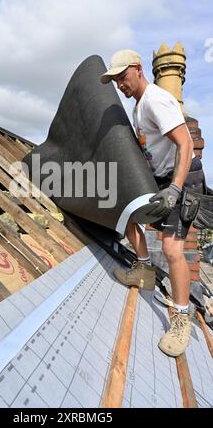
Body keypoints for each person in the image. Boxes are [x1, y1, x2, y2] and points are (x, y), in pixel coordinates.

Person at [100, 49, 204, 357]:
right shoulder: (138, 107)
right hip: (161, 176)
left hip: (183, 176)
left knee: (173, 250)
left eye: (123, 77)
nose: (120, 84)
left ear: (138, 69)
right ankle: (144, 270)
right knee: (128, 211)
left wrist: (175, 187)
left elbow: (185, 142)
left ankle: (181, 318)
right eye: (116, 80)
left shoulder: (157, 101)